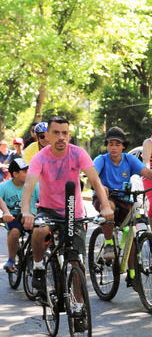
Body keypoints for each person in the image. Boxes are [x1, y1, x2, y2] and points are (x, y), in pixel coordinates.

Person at [20, 116, 112, 294]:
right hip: (48, 210)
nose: (61, 137)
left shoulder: (78, 153)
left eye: (65, 133)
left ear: (69, 135)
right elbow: (28, 185)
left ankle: (78, 306)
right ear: (47, 136)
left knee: (76, 261)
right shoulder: (40, 157)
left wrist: (106, 205)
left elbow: (95, 180)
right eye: (56, 133)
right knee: (39, 231)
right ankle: (38, 266)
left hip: (73, 212)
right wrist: (26, 211)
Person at [92, 126, 152, 265]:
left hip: (125, 199)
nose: (114, 147)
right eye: (111, 144)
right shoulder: (101, 159)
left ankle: (133, 273)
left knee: (132, 229)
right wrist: (100, 186)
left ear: (123, 147)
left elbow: (146, 172)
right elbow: (93, 176)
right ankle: (109, 243)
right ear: (107, 146)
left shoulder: (128, 159)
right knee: (109, 207)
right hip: (105, 198)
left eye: (117, 144)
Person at [0, 158, 39, 272]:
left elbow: (43, 200)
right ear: (15, 174)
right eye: (25, 171)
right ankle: (11, 260)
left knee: (42, 232)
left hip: (32, 216)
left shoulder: (34, 185)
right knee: (14, 232)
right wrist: (6, 212)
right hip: (14, 217)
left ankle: (37, 257)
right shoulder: (4, 187)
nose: (29, 173)